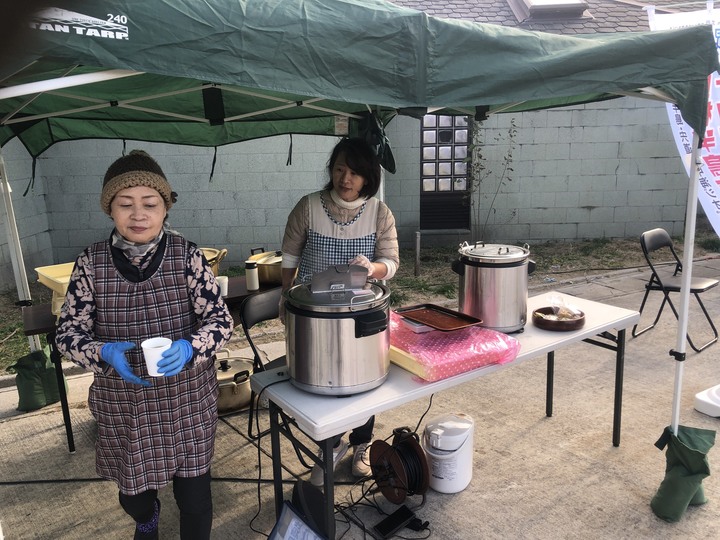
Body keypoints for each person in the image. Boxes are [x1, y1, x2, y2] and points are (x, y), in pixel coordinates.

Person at [55, 150, 234, 540]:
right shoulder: (91, 263)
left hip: (186, 402)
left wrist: (191, 347)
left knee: (195, 499)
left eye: (150, 204)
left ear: (165, 208)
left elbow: (221, 322)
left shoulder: (187, 256)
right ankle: (147, 519)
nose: (139, 215)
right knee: (134, 497)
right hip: (126, 405)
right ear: (110, 210)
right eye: (126, 204)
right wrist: (102, 352)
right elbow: (67, 333)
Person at [280, 137, 399, 486]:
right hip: (314, 314)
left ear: (368, 178)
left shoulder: (380, 212)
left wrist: (374, 269)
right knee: (320, 382)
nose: (345, 179)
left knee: (365, 380)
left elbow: (391, 262)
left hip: (363, 312)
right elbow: (289, 255)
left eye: (355, 173)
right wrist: (286, 296)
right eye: (339, 170)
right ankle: (329, 446)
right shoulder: (308, 206)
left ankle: (362, 444)